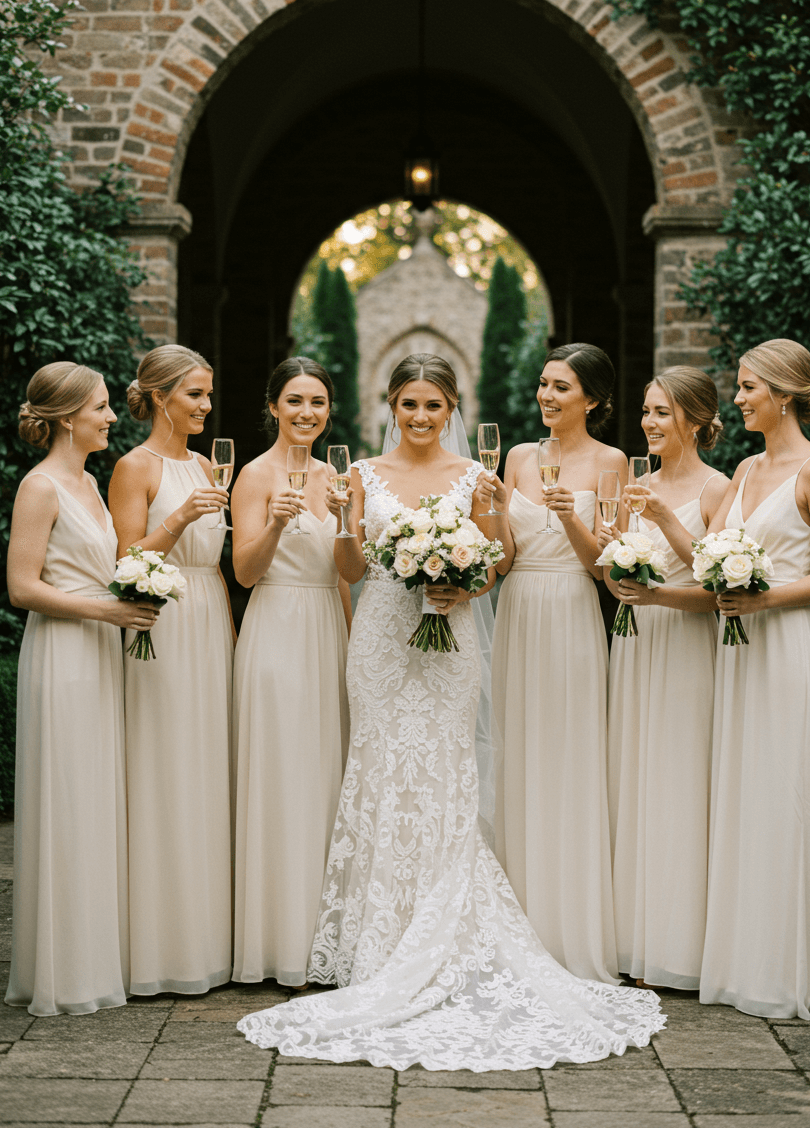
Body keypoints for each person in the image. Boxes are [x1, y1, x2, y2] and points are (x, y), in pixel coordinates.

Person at [236, 352, 664, 1070]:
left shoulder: (478, 477)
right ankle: (376, 941)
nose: (422, 418)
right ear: (391, 406)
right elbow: (348, 570)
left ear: (452, 409)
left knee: (443, 771)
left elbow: (499, 562)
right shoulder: (360, 474)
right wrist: (347, 524)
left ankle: (447, 933)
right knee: (377, 773)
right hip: (378, 639)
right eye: (410, 405)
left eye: (434, 406)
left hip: (450, 638)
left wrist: (461, 578)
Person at [699, 339, 810, 1018]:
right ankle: (743, 959)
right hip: (738, 646)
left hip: (786, 640)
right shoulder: (743, 467)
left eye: (748, 387)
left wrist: (764, 598)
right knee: (744, 788)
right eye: (739, 387)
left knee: (786, 792)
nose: (737, 399)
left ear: (784, 396)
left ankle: (791, 969)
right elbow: (709, 549)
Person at [5, 362, 157, 1015]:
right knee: (66, 799)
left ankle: (93, 958)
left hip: (100, 651)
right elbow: (22, 587)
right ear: (68, 417)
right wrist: (108, 612)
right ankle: (62, 972)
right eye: (100, 407)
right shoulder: (40, 487)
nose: (111, 417)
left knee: (95, 800)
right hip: (64, 654)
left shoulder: (91, 483)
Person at [476, 343, 626, 984]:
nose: (546, 396)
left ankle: (569, 923)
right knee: (519, 751)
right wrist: (489, 514)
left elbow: (609, 568)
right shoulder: (517, 457)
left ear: (591, 399)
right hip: (520, 610)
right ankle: (515, 916)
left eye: (561, 387)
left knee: (568, 754)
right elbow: (502, 559)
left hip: (571, 611)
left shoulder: (612, 462)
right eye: (543, 384)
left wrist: (570, 520)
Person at [108, 344, 234, 997]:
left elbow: (217, 562)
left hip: (212, 617)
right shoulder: (136, 467)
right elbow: (126, 557)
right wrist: (182, 515)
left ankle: (206, 938)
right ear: (160, 397)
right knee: (164, 766)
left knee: (207, 769)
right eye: (194, 395)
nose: (206, 406)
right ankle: (158, 947)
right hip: (164, 617)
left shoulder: (210, 464)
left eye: (208, 395)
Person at [601, 367, 728, 991]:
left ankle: (678, 945)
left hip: (683, 644)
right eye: (646, 411)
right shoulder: (636, 484)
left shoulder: (716, 489)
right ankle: (629, 939)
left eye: (662, 413)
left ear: (697, 421)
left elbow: (718, 585)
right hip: (634, 643)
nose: (649, 423)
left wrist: (655, 592)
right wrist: (613, 564)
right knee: (633, 776)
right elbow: (617, 572)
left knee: (678, 779)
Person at [230, 357, 351, 987]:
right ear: (273, 406)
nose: (307, 413)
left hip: (326, 629)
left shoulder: (336, 477)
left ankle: (322, 938)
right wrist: (277, 519)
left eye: (319, 403)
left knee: (323, 775)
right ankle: (274, 942)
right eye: (296, 401)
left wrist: (348, 519)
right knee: (281, 773)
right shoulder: (253, 475)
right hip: (276, 626)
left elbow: (347, 573)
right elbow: (245, 573)